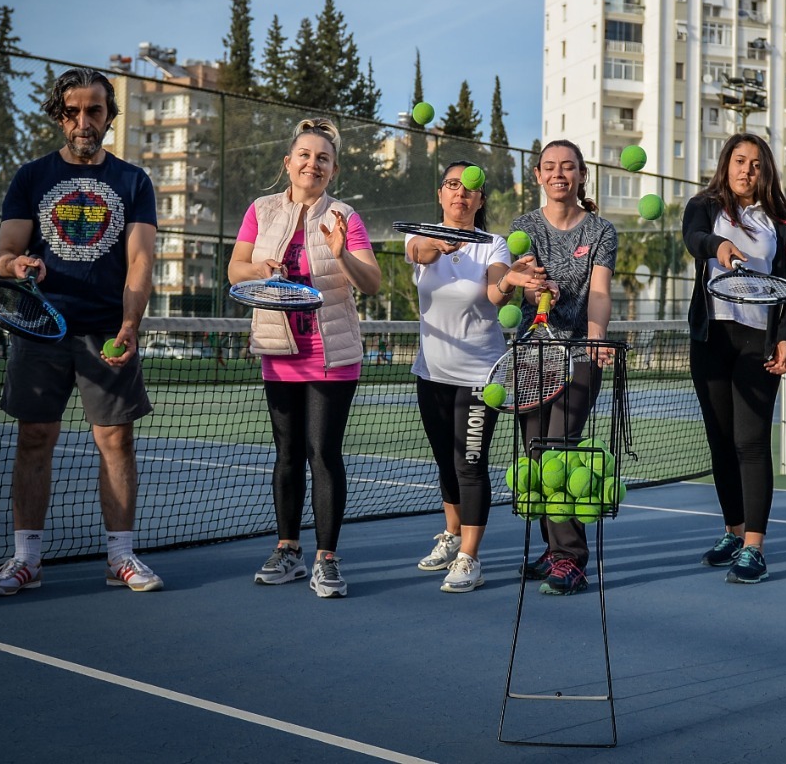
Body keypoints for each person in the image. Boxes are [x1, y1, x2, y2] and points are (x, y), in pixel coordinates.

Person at [0, 67, 163, 597]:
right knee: (34, 438)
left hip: (106, 329)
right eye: (73, 111)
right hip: (40, 327)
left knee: (116, 441)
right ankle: (26, 561)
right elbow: (4, 252)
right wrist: (15, 265)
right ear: (59, 115)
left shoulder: (134, 181)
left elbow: (140, 259)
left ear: (109, 116)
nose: (83, 121)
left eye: (94, 111)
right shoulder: (31, 177)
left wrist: (131, 324)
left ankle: (121, 557)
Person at [227, 118, 382, 599]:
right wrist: (261, 267)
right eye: (304, 155)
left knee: (322, 452)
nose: (312, 164)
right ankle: (288, 549)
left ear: (332, 170)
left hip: (331, 353)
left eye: (323, 158)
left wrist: (342, 254)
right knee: (287, 453)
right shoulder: (261, 210)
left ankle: (327, 559)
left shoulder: (345, 217)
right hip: (278, 349)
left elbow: (371, 282)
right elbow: (235, 271)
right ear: (288, 164)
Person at [408, 160, 544, 593]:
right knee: (445, 462)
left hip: (480, 377)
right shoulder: (422, 236)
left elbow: (493, 289)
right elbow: (420, 254)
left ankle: (470, 557)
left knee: (470, 464)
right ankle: (451, 536)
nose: (460, 194)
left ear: (480, 199)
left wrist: (512, 282)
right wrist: (440, 245)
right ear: (442, 194)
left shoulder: (494, 244)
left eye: (469, 189)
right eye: (452, 185)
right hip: (430, 372)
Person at [683, 133, 786, 585]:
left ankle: (754, 546)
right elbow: (693, 237)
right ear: (726, 164)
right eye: (739, 160)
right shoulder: (704, 205)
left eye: (755, 163)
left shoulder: (781, 223)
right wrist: (719, 247)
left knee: (750, 442)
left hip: (759, 341)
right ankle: (732, 531)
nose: (746, 170)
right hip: (711, 336)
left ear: (764, 171)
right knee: (720, 440)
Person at [508, 140, 617, 596]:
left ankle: (572, 558)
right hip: (532, 354)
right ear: (537, 175)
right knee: (537, 453)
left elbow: (599, 291)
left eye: (568, 167)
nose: (559, 174)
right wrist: (534, 290)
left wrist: (595, 339)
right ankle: (553, 550)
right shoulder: (524, 226)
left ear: (580, 175)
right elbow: (523, 284)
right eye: (550, 167)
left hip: (578, 357)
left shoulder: (602, 230)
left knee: (561, 451)